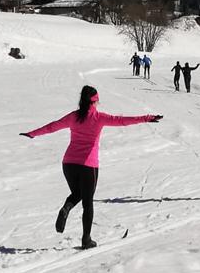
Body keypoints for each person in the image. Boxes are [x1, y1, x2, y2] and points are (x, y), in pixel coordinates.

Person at [20, 86, 162, 249]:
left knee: (77, 194)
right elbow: (122, 121)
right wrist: (147, 118)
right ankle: (86, 240)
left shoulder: (74, 116)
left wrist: (32, 133)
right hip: (88, 165)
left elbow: (53, 126)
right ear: (95, 101)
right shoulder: (99, 117)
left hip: (68, 163)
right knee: (87, 202)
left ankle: (67, 207)